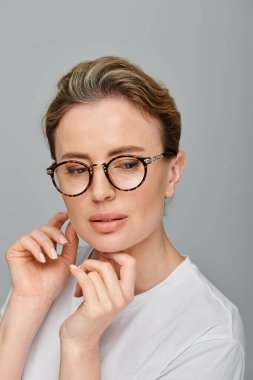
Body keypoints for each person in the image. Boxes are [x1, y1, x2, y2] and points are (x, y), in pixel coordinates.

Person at [0, 56, 245, 380]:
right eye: (76, 168)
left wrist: (80, 345)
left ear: (173, 173)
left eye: (128, 163)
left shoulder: (208, 334)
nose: (100, 192)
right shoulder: (46, 281)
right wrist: (27, 303)